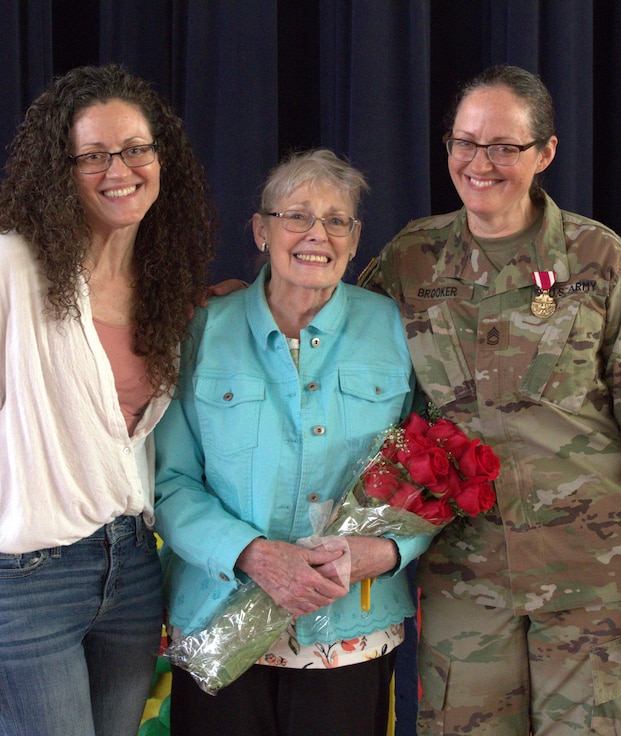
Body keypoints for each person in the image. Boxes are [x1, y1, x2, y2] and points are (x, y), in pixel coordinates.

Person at [359, 65, 621, 735]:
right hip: (466, 575)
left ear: (544, 154)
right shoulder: (410, 260)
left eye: (503, 146)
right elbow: (340, 356)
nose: (478, 163)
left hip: (593, 576)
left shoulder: (597, 259)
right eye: (464, 142)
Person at [0, 64, 213, 736]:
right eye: (94, 155)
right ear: (61, 169)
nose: (120, 169)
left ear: (161, 156)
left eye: (136, 149)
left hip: (133, 572)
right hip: (25, 582)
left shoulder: (164, 280)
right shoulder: (10, 266)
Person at [154, 149, 430, 736]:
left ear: (355, 241)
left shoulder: (397, 329)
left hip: (349, 623)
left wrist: (385, 553)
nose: (317, 234)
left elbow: (433, 472)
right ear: (261, 230)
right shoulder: (201, 329)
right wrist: (253, 553)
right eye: (296, 215)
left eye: (337, 220)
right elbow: (168, 481)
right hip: (218, 618)